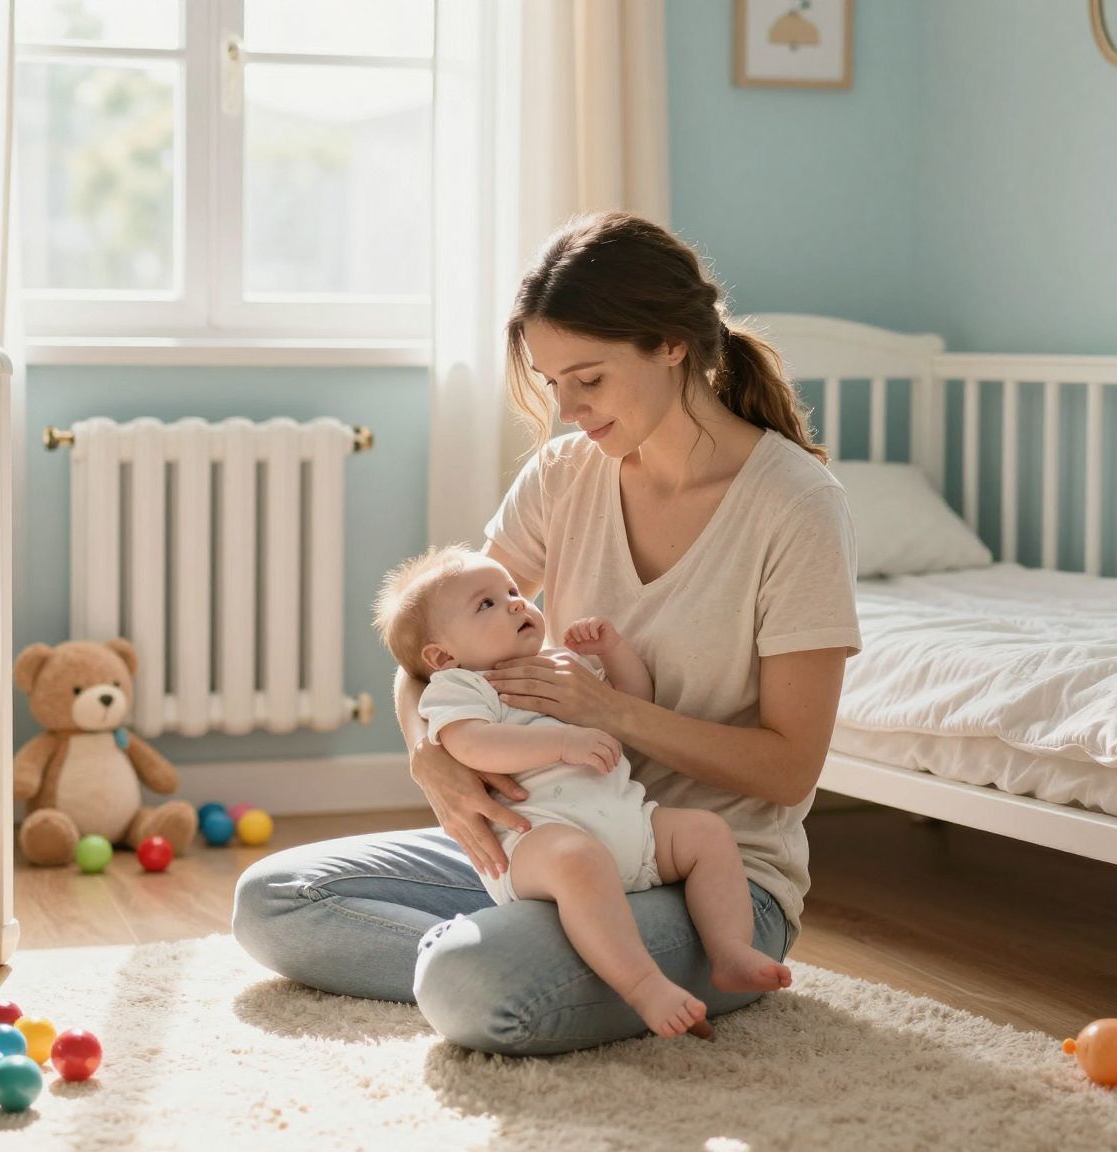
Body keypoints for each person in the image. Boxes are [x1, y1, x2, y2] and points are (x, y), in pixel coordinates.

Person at [232, 210, 861, 1054]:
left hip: (709, 875)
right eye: (551, 381)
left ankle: (508, 962)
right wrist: (428, 753)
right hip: (554, 841)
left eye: (588, 378)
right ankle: (525, 953)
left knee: (475, 983)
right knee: (274, 899)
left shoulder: (795, 508)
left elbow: (789, 767)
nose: (566, 409)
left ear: (672, 345)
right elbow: (435, 639)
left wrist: (612, 713)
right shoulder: (563, 477)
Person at [374, 543, 792, 1038]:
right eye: (487, 603)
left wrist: (613, 653)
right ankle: (644, 986)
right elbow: (471, 745)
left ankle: (730, 951)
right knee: (578, 861)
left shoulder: (559, 663)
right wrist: (562, 743)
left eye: (512, 590)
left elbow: (632, 704)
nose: (515, 602)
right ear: (443, 656)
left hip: (634, 828)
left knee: (707, 833)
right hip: (539, 839)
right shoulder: (462, 688)